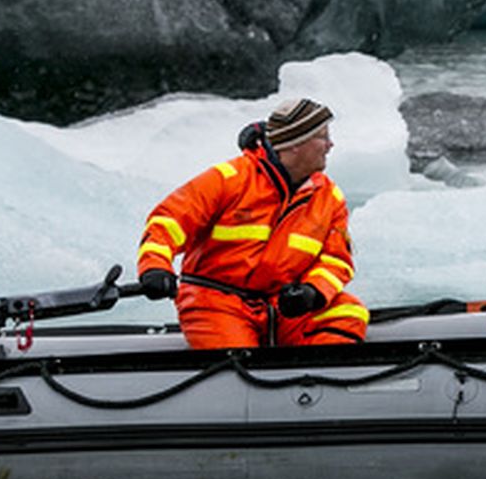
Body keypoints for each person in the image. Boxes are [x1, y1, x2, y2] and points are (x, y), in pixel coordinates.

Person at [135, 97, 369, 348]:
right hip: (216, 303)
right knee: (238, 358)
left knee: (349, 312)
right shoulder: (229, 180)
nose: (330, 144)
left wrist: (312, 292)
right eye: (321, 137)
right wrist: (155, 268)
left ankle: (312, 379)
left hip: (280, 306)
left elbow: (336, 259)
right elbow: (168, 221)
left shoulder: (329, 198)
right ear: (295, 145)